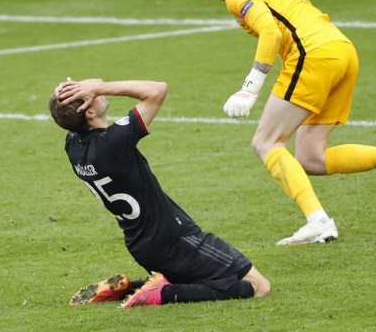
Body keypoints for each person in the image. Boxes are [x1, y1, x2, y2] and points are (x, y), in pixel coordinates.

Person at [182, 0, 376, 245]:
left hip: (313, 55)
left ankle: (318, 221)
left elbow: (271, 33)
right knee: (310, 157)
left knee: (265, 141)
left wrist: (249, 88)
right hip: (341, 51)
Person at [48, 77, 270, 308]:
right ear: (89, 114)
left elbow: (67, 117)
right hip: (175, 239)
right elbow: (157, 90)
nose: (96, 91)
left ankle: (132, 287)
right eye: (91, 95)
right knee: (258, 287)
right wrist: (103, 87)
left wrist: (61, 99)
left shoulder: (73, 145)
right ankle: (162, 294)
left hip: (143, 245)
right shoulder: (112, 143)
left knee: (208, 280)